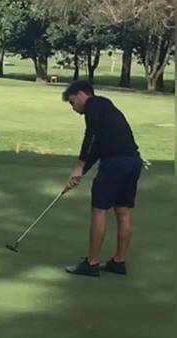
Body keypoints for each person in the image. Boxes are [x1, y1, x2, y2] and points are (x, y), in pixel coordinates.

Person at [62, 80, 144, 277]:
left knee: (99, 211)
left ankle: (91, 263)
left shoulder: (93, 105)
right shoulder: (105, 108)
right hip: (133, 161)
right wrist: (80, 172)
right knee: (122, 212)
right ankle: (118, 262)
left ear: (81, 94)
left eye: (72, 102)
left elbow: (90, 137)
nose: (73, 108)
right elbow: (97, 147)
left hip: (115, 164)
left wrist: (79, 165)